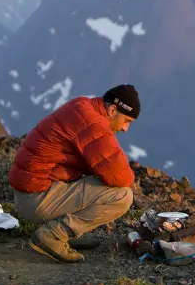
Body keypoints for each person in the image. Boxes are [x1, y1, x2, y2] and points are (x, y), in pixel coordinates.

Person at [8, 84, 140, 263]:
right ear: (112, 109)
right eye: (126, 121)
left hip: (31, 191)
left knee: (97, 177)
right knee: (122, 196)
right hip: (35, 199)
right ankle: (53, 235)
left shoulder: (82, 106)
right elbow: (120, 176)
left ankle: (67, 233)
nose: (125, 129)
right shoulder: (93, 123)